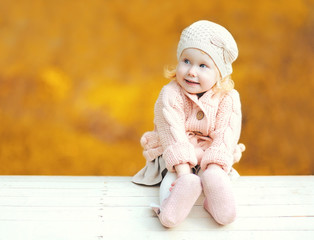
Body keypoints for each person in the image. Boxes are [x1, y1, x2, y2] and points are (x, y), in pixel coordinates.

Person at [132, 20, 245, 228]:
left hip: (211, 155)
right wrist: (184, 173)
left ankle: (216, 202)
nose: (192, 71)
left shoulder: (228, 98)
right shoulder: (170, 93)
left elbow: (225, 136)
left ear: (219, 73)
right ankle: (170, 209)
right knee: (175, 182)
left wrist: (213, 167)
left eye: (203, 65)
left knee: (215, 177)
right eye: (186, 61)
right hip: (176, 157)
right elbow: (170, 134)